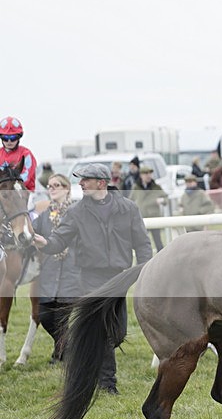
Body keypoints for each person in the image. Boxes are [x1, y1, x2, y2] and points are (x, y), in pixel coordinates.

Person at [32, 163, 153, 394]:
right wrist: (45, 243)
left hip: (120, 276)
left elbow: (142, 243)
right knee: (102, 330)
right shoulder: (76, 212)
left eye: (85, 180)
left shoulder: (128, 208)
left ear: (101, 182)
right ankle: (107, 384)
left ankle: (87, 356)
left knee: (117, 334)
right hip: (90, 277)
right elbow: (60, 240)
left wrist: (144, 270)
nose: (80, 184)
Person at [32, 173, 82, 364]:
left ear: (66, 188)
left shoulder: (78, 212)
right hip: (50, 273)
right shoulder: (45, 216)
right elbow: (31, 231)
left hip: (72, 271)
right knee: (45, 316)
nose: (51, 188)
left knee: (62, 317)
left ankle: (61, 355)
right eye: (50, 185)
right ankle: (66, 349)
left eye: (56, 185)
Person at [130, 165, 168, 252]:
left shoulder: (156, 187)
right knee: (142, 243)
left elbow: (166, 199)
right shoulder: (136, 187)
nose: (148, 175)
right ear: (141, 175)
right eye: (146, 173)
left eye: (150, 173)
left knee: (158, 243)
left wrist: (162, 200)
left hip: (154, 218)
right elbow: (130, 201)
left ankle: (160, 261)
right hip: (141, 219)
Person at [0, 116, 38, 191]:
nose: (9, 141)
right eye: (5, 138)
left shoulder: (26, 154)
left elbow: (26, 178)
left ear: (19, 137)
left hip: (25, 194)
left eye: (13, 138)